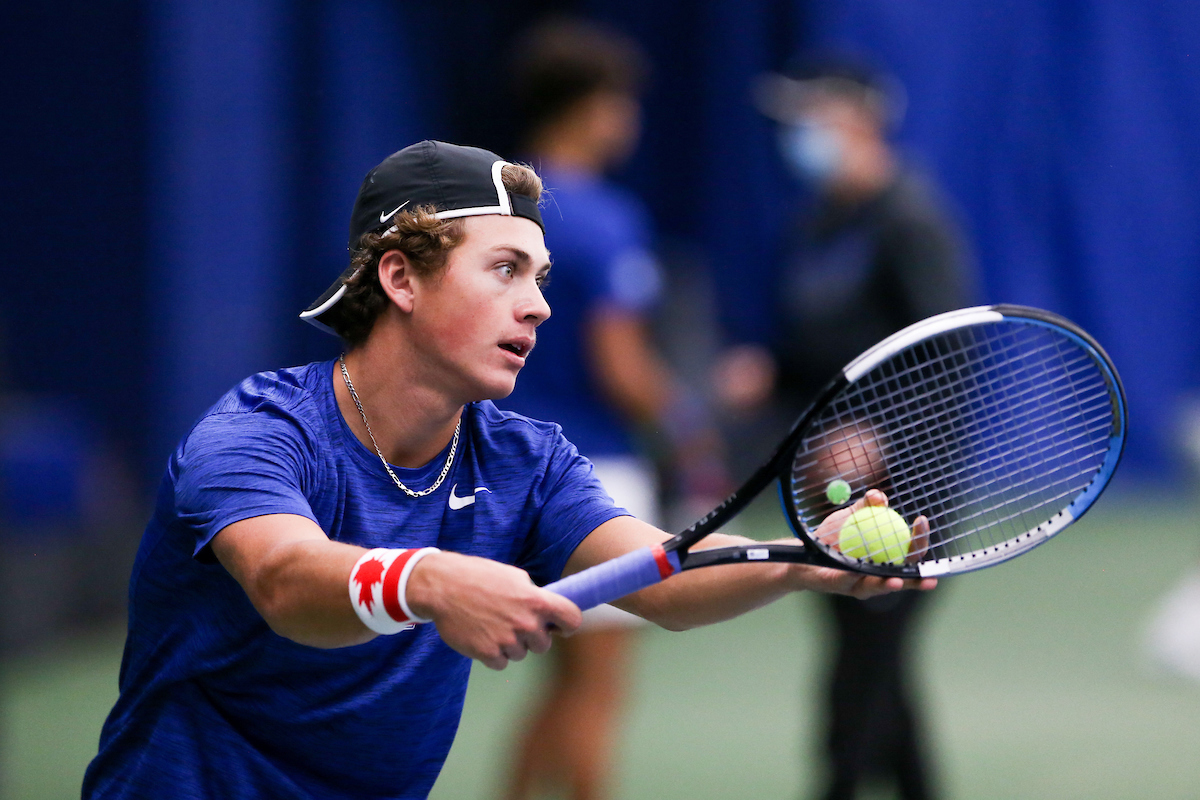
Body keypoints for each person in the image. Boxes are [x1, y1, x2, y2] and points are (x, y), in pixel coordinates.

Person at [81, 140, 933, 800]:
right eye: (504, 270)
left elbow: (662, 575)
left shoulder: (524, 460)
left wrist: (803, 560)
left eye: (541, 276)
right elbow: (282, 577)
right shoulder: (259, 432)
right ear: (400, 278)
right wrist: (433, 581)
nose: (539, 302)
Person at [733, 56, 976, 800]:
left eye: (813, 116)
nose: (801, 133)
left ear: (858, 120)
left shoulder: (912, 220)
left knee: (859, 677)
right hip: (823, 486)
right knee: (877, 668)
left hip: (909, 493)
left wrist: (878, 437)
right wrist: (765, 374)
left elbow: (947, 362)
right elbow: (817, 354)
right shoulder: (812, 223)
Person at [498, 20, 725, 800]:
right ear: (595, 107)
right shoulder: (602, 217)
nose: (628, 120)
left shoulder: (490, 204)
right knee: (598, 688)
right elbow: (619, 366)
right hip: (591, 474)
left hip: (500, 468)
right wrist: (688, 427)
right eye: (623, 102)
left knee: (561, 685)